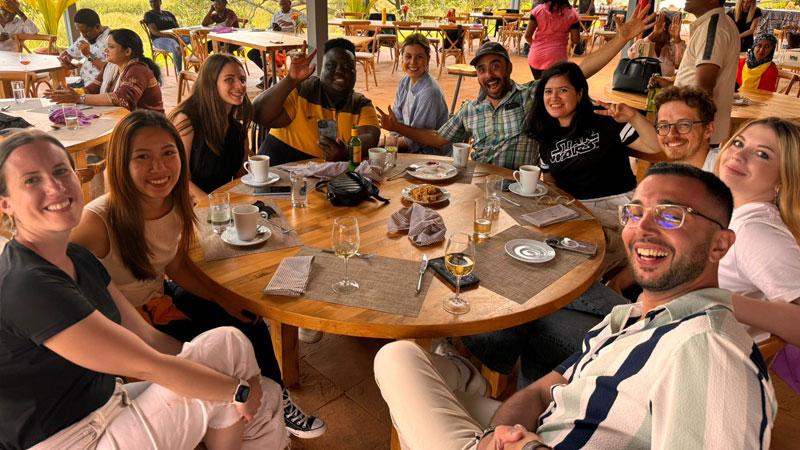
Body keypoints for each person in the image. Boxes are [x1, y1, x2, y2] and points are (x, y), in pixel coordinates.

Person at [375, 162, 776, 450]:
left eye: (672, 216)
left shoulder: (708, 349)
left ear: (720, 244)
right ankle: (467, 384)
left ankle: (464, 383)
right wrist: (504, 436)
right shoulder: (627, 318)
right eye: (634, 213)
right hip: (542, 429)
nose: (644, 227)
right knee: (398, 356)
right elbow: (543, 390)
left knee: (403, 371)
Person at [0, 128, 287, 450]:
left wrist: (224, 376)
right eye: (31, 180)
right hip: (71, 439)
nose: (54, 186)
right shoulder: (24, 284)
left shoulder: (77, 257)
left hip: (107, 406)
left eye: (60, 170)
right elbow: (146, 364)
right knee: (254, 394)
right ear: (5, 204)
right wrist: (237, 391)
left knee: (232, 347)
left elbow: (148, 338)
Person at [69, 111, 326, 440]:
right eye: (142, 157)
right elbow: (72, 298)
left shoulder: (173, 204)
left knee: (248, 317)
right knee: (215, 356)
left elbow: (176, 267)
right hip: (128, 329)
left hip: (162, 303)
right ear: (120, 164)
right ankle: (233, 410)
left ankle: (277, 400)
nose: (159, 168)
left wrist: (223, 298)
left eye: (168, 153)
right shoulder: (96, 223)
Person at [376, 1, 654, 170]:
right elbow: (438, 138)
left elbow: (577, 71)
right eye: (482, 69)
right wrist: (395, 127)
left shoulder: (531, 94)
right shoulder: (470, 110)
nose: (490, 75)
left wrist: (621, 40)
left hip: (520, 186)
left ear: (509, 68)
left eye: (496, 66)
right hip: (480, 182)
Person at [715, 117, 800, 390]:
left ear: (782, 179)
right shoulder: (732, 212)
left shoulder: (755, 233)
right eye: (738, 143)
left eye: (762, 154)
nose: (738, 154)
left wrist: (710, 298)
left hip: (708, 363)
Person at [253, 38, 380, 164]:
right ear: (321, 69)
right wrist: (290, 80)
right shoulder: (303, 89)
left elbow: (371, 137)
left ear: (355, 73)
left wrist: (347, 150)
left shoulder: (361, 104)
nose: (340, 71)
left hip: (320, 180)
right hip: (275, 173)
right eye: (331, 66)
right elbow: (258, 114)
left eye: (348, 67)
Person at [170, 54, 251, 201]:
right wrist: (212, 206)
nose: (240, 86)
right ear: (211, 83)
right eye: (229, 80)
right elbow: (179, 178)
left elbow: (241, 176)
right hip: (188, 206)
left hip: (222, 205)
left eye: (242, 79)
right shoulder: (187, 121)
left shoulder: (238, 130)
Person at [657, 0, 738, 146]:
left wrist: (694, 132)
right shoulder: (718, 23)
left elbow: (704, 86)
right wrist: (672, 83)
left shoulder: (713, 27)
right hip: (695, 131)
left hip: (694, 134)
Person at [45, 29, 164, 113]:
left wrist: (78, 98)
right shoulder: (110, 66)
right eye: (107, 46)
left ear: (127, 52)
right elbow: (93, 89)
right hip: (127, 121)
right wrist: (71, 93)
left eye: (111, 47)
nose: (106, 50)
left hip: (148, 125)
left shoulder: (138, 70)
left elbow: (121, 99)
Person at [387, 33, 450, 155]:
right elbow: (397, 120)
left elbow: (417, 141)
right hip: (409, 149)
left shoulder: (429, 92)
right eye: (408, 56)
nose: (413, 62)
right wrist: (391, 140)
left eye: (419, 57)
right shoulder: (404, 82)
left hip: (429, 156)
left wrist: (387, 143)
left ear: (427, 59)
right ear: (402, 58)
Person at [653, 85, 717, 170]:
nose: (671, 135)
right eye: (664, 126)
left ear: (708, 130)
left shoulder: (727, 173)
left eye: (684, 125)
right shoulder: (664, 177)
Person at [525, 0, 580, 79]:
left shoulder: (538, 10)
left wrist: (534, 46)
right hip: (558, 60)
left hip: (536, 57)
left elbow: (527, 35)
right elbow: (575, 39)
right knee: (552, 89)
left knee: (540, 86)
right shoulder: (572, 14)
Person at [57, 8, 111, 88]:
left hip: (98, 86)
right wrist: (66, 60)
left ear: (97, 26)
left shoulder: (111, 41)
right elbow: (68, 53)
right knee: (59, 90)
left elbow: (109, 71)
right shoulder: (85, 37)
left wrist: (89, 55)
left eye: (86, 31)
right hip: (84, 81)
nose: (84, 35)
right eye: (80, 32)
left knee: (63, 95)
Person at [627, 12, 684, 77]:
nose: (663, 30)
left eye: (666, 27)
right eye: (660, 27)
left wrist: (677, 39)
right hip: (640, 86)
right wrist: (654, 34)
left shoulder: (671, 48)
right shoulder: (644, 43)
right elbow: (632, 54)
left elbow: (680, 64)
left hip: (664, 86)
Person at [143, 0, 189, 73]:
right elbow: (154, 31)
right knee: (175, 45)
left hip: (175, 36)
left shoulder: (169, 14)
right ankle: (180, 73)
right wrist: (170, 36)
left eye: (155, 1)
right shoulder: (149, 14)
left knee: (193, 38)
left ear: (160, 2)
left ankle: (196, 64)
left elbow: (177, 28)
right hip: (159, 39)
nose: (153, 3)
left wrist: (180, 35)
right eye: (151, 2)